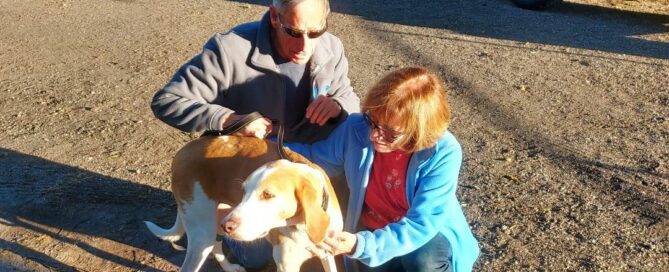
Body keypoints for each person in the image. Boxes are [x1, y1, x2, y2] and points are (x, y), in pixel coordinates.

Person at [150, 0, 360, 269]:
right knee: (256, 256)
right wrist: (230, 119)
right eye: (294, 32)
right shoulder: (229, 49)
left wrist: (338, 104)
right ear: (274, 16)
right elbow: (167, 100)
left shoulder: (332, 47)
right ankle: (225, 222)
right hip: (255, 169)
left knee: (332, 233)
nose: (305, 46)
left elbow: (350, 98)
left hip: (309, 167)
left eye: (315, 31)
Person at [286, 67, 480, 272]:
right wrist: (266, 144)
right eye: (373, 121)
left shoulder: (443, 152)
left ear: (419, 131)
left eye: (390, 133)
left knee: (424, 260)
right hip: (374, 228)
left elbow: (421, 224)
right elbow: (315, 158)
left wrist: (360, 245)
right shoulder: (356, 128)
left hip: (423, 237)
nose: (374, 136)